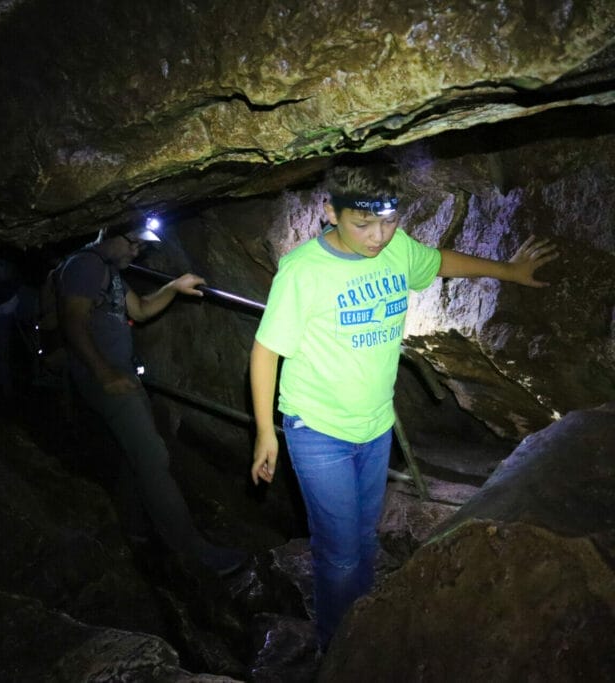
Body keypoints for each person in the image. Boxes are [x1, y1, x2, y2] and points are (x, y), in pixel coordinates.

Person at [248, 154, 558, 650]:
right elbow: (266, 351)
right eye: (363, 222)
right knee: (340, 553)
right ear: (331, 212)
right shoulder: (302, 272)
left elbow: (438, 262)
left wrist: (509, 271)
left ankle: (364, 621)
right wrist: (266, 431)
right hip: (318, 430)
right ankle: (338, 647)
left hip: (374, 427)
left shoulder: (396, 251)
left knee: (366, 538)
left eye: (389, 220)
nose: (378, 235)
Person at [58, 220, 247, 577]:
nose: (136, 252)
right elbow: (73, 321)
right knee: (152, 456)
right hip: (108, 379)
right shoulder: (85, 265)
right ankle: (192, 551)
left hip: (119, 375)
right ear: (107, 232)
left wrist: (174, 287)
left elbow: (141, 309)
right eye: (133, 244)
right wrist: (104, 373)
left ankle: (134, 529)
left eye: (141, 249)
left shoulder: (108, 270)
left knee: (136, 455)